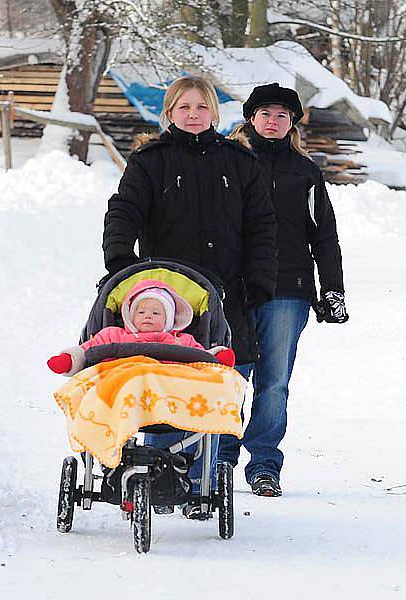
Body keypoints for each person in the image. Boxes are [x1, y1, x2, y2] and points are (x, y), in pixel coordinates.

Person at [101, 76, 277, 513]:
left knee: (217, 380)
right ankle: (158, 472)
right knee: (163, 378)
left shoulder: (240, 162)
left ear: (214, 113)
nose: (193, 114)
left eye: (201, 107)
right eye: (184, 107)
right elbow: (123, 210)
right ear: (169, 113)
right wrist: (121, 261)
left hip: (225, 293)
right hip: (164, 294)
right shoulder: (150, 161)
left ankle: (203, 479)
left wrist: (260, 279)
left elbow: (262, 226)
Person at [219, 83, 347, 497]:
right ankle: (219, 456)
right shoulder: (229, 161)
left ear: (291, 124)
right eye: (265, 115)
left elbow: (324, 236)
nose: (272, 123)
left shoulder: (304, 171)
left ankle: (264, 464)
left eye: (281, 117)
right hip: (233, 290)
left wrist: (332, 290)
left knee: (274, 382)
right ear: (250, 118)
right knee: (230, 377)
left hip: (288, 290)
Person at [46, 279, 235, 376]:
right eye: (141, 312)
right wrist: (70, 360)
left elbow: (201, 357)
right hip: (119, 389)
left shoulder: (180, 340)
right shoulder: (114, 334)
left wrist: (215, 358)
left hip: (170, 394)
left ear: (169, 320)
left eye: (156, 313)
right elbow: (87, 349)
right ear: (130, 316)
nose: (148, 316)